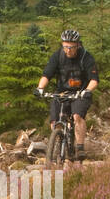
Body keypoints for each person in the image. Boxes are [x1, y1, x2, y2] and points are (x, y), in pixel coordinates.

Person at [35, 28, 99, 161]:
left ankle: (80, 147)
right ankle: (57, 144)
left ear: (78, 45)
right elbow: (47, 74)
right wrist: (40, 88)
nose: (68, 50)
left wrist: (87, 91)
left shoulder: (86, 57)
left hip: (80, 93)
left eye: (71, 47)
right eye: (65, 46)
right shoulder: (57, 56)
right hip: (62, 92)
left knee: (77, 117)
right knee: (54, 121)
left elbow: (94, 79)